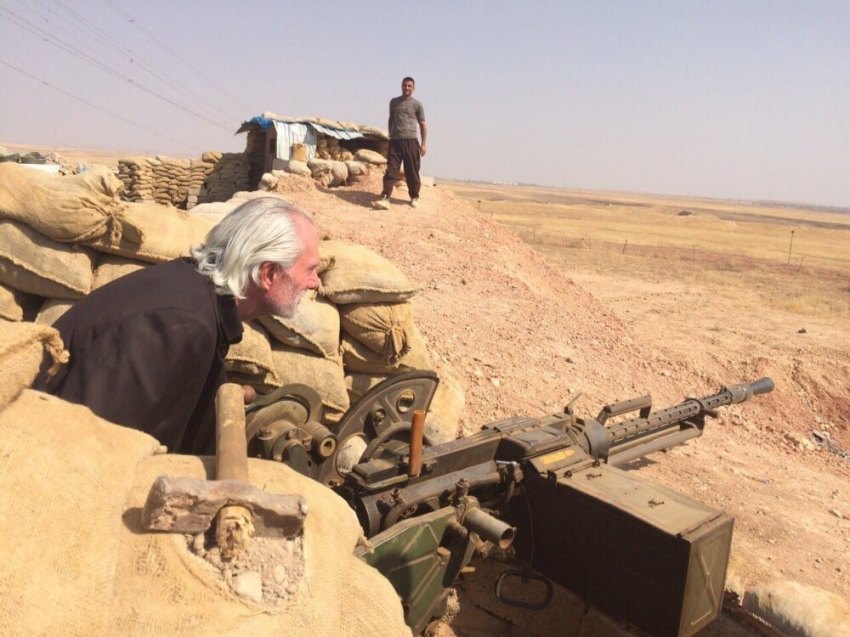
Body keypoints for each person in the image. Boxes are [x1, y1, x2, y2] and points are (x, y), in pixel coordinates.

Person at [33, 197, 321, 455]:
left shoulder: (195, 295)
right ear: (268, 273)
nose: (315, 282)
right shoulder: (181, 324)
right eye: (309, 270)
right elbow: (95, 445)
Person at [375, 76, 427, 210]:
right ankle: (385, 197)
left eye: (409, 86)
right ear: (401, 86)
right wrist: (390, 135)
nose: (407, 88)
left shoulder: (417, 104)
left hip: (411, 141)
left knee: (412, 171)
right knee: (391, 170)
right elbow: (391, 119)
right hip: (395, 141)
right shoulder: (394, 102)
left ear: (413, 88)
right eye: (405, 85)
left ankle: (414, 196)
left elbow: (422, 124)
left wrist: (424, 143)